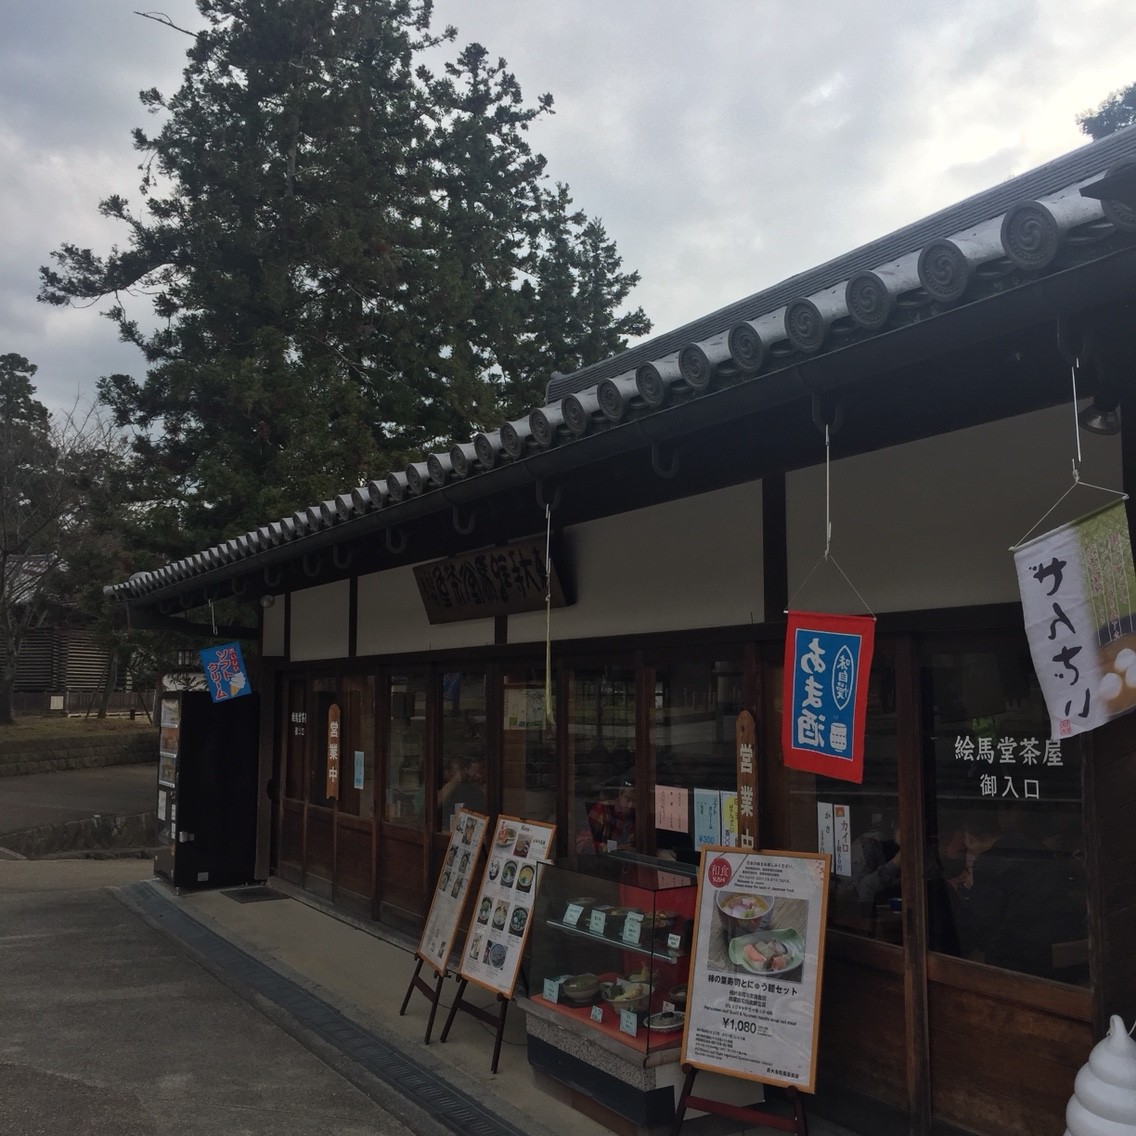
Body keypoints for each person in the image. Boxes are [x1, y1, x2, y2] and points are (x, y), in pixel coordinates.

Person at [438, 755, 487, 822]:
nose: (478, 775)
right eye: (474, 770)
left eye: (482, 769)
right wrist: (454, 781)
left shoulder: (474, 790)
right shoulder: (449, 788)